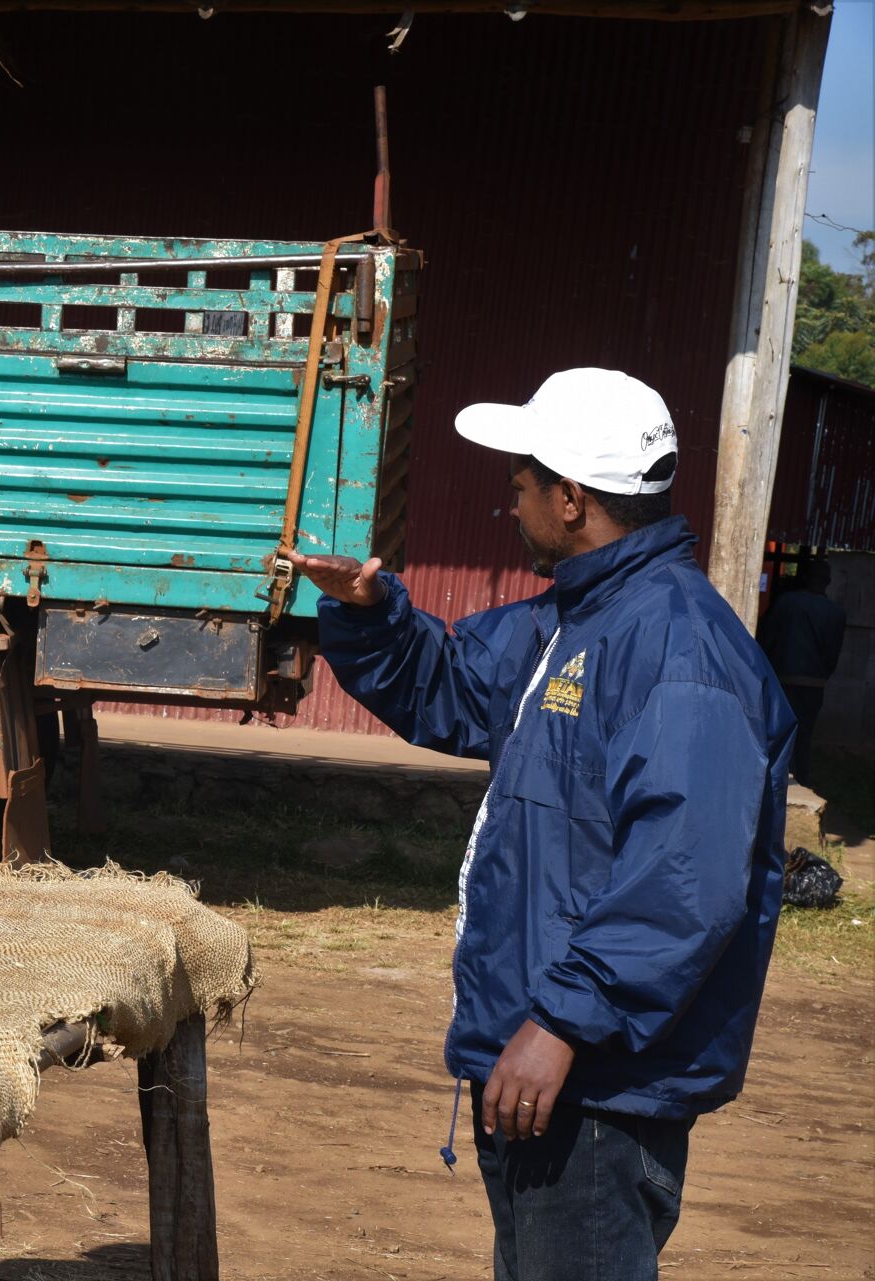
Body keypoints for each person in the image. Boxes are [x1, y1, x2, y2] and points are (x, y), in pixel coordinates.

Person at [287, 368, 794, 1281]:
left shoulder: (679, 646)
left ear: (571, 498)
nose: (508, 499)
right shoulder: (573, 619)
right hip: (544, 1071)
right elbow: (452, 686)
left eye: (521, 483)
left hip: (596, 1086)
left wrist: (560, 1022)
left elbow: (687, 879)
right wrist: (371, 618)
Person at [756, 559, 846, 786]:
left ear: (805, 578)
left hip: (782, 680)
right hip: (814, 684)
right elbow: (833, 654)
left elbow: (766, 640)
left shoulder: (786, 603)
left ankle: (773, 779)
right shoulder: (836, 613)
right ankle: (801, 782)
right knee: (804, 736)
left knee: (777, 731)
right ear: (827, 582)